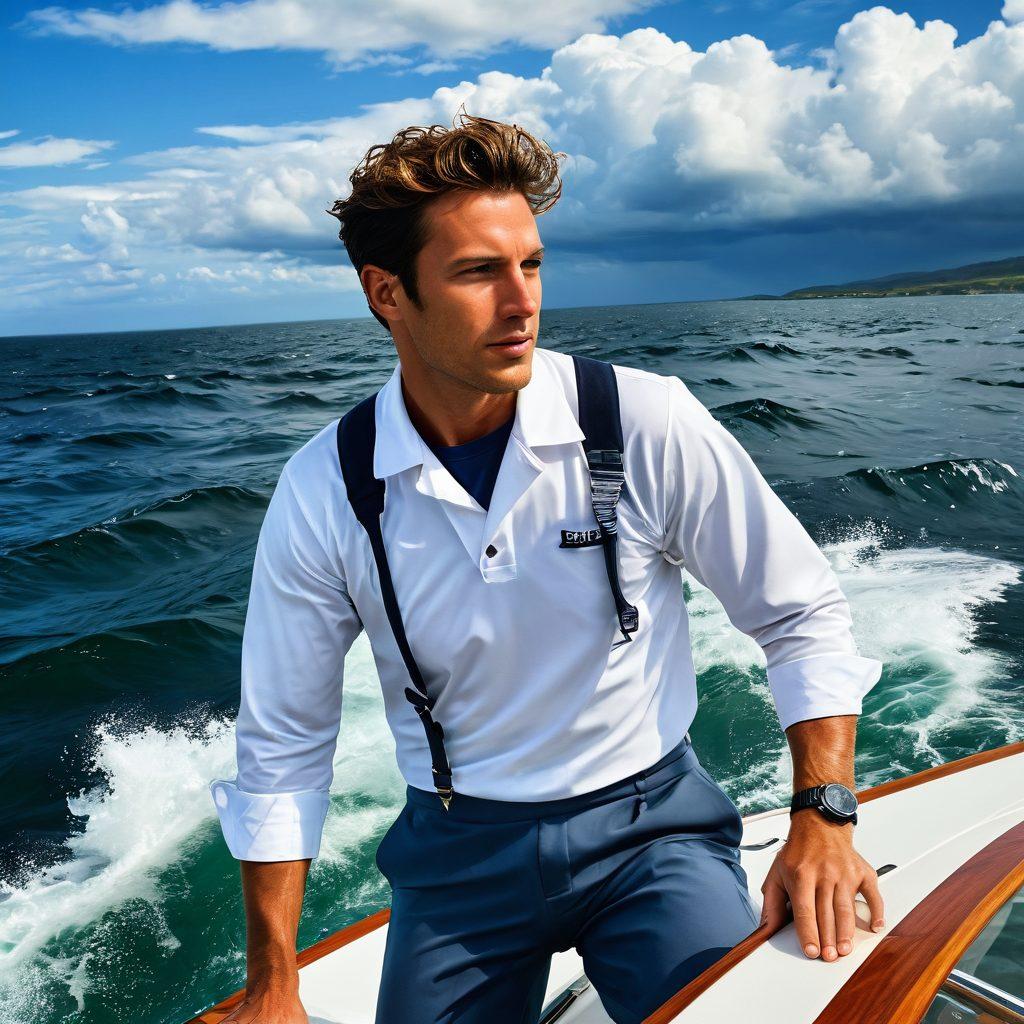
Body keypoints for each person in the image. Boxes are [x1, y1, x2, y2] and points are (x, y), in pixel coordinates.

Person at [208, 108, 886, 1024]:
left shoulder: (642, 419)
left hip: (654, 831)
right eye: (480, 272)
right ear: (387, 294)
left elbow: (798, 612)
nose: (522, 301)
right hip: (456, 856)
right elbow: (284, 746)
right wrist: (273, 986)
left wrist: (824, 815)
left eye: (530, 264)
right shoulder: (326, 488)